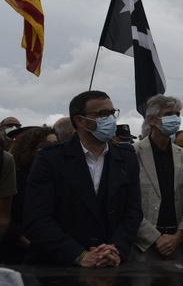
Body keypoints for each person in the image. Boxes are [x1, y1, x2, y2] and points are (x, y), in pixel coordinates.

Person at [24, 90, 142, 266]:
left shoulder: (127, 158)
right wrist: (79, 255)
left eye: (112, 113)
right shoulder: (50, 159)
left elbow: (133, 212)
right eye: (102, 114)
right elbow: (37, 218)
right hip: (59, 269)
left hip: (111, 265)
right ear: (80, 120)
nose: (110, 119)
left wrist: (115, 250)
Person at [132, 95, 183, 261]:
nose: (175, 119)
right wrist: (155, 238)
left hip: (177, 243)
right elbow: (129, 203)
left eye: (178, 114)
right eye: (168, 114)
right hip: (143, 246)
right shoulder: (133, 153)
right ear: (151, 120)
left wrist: (179, 235)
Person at [2, 127, 55, 263]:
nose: (54, 150)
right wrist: (20, 237)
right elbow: (5, 216)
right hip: (16, 253)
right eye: (48, 146)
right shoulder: (16, 175)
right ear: (30, 148)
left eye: (57, 145)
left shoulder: (59, 178)